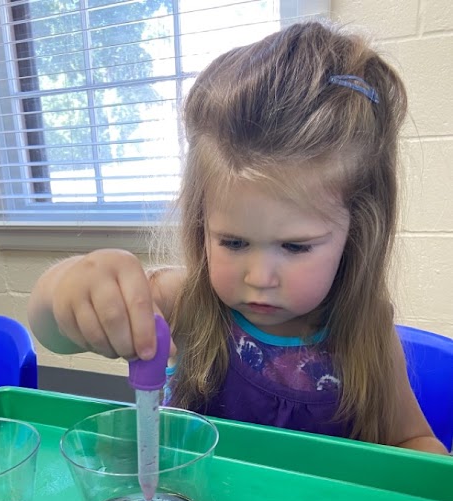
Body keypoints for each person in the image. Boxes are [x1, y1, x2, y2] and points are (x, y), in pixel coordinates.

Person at [28, 20, 446, 455]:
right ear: (202, 224)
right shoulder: (183, 301)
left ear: (357, 233)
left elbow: (413, 439)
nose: (260, 277)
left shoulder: (365, 333)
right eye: (233, 242)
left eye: (295, 246)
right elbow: (50, 333)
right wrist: (64, 292)